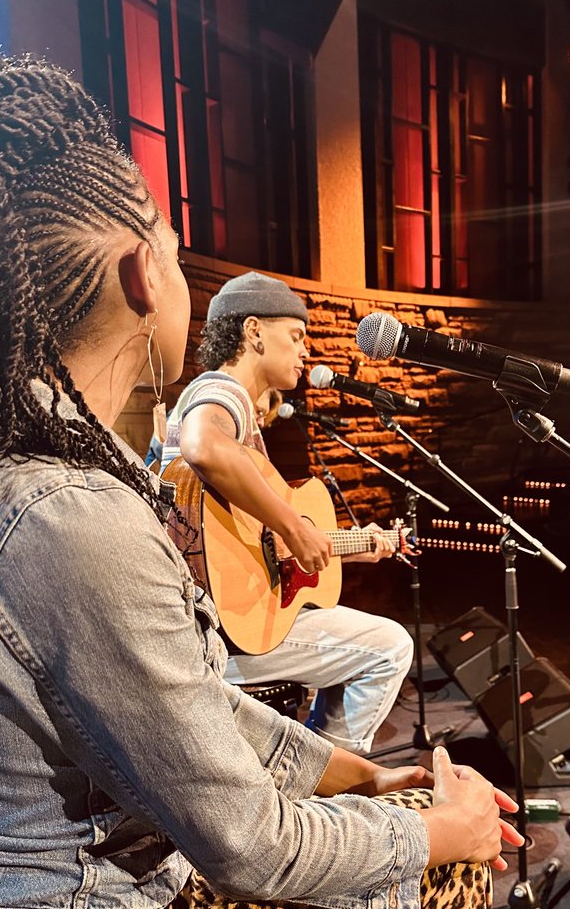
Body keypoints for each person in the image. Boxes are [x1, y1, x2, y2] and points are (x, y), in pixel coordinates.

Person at [0, 56, 522, 909]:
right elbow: (245, 844)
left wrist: (355, 772)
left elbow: (193, 711)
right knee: (433, 892)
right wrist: (436, 838)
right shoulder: (66, 517)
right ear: (141, 271)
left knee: (388, 841)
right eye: (175, 244)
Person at [158, 271, 415, 754]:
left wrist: (348, 546)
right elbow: (201, 445)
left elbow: (255, 543)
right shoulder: (222, 391)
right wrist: (295, 526)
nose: (305, 351)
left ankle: (311, 767)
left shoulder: (244, 414)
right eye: (296, 336)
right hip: (212, 636)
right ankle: (327, 783)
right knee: (391, 647)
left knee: (356, 630)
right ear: (254, 331)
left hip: (219, 622)